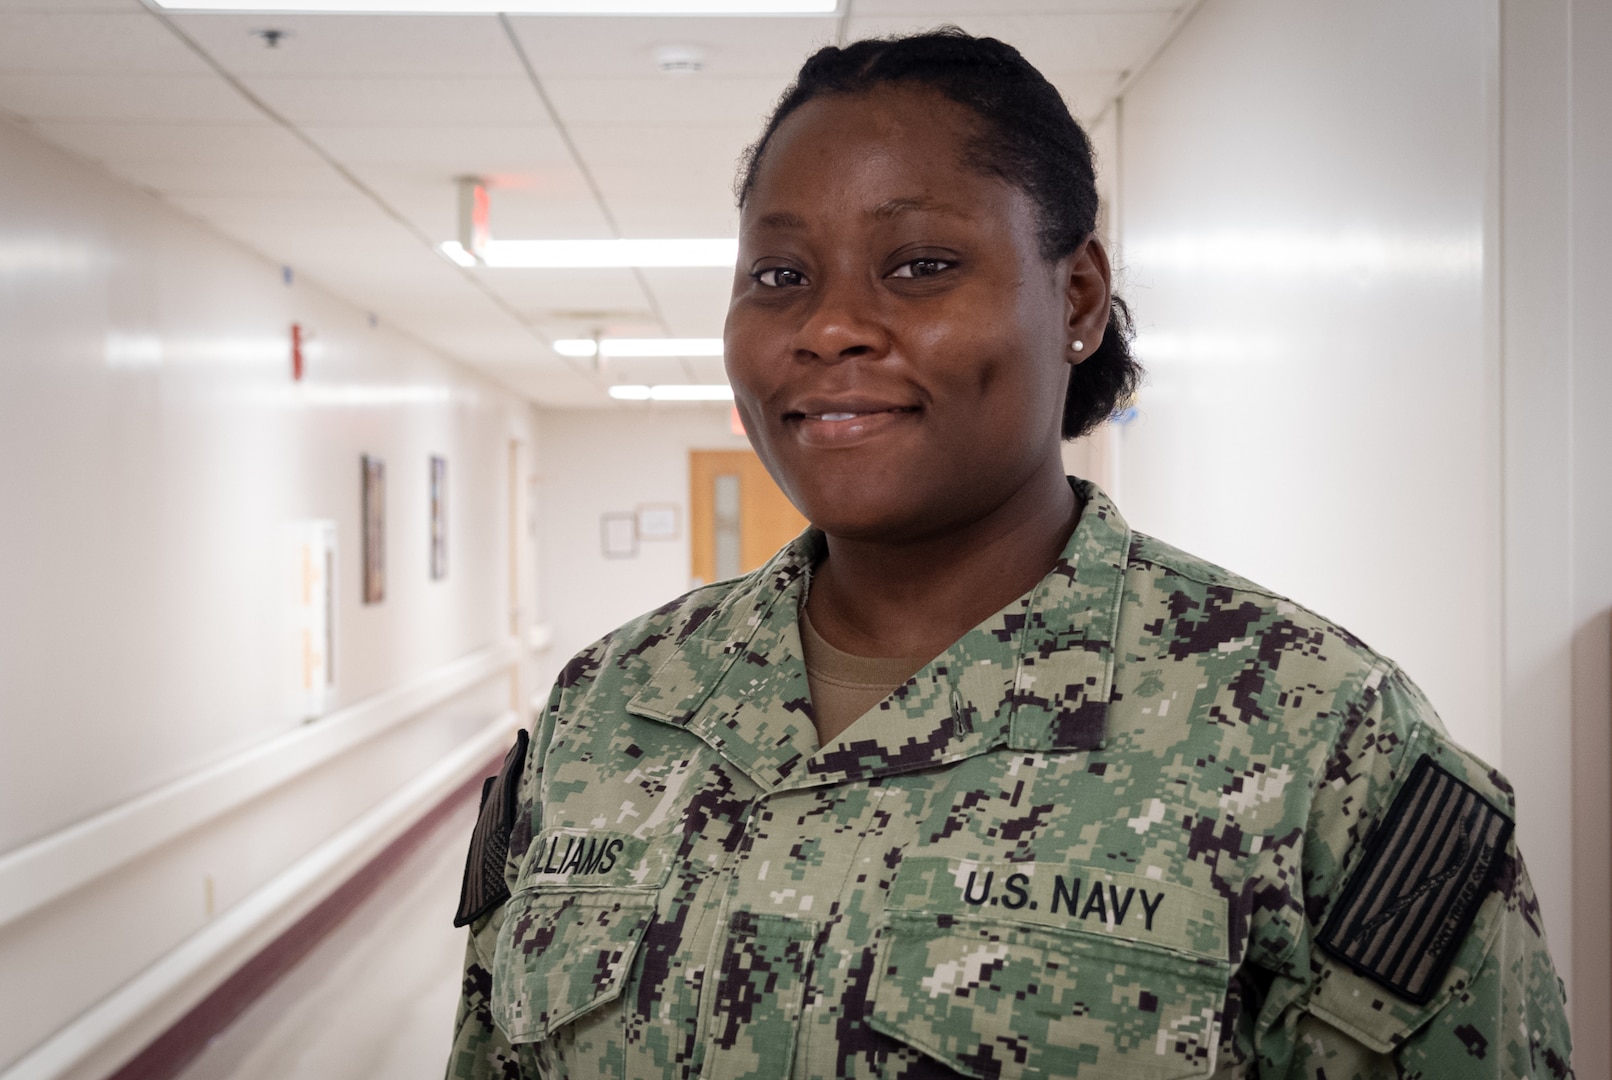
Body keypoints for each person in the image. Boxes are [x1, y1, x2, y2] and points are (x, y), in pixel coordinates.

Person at [447, 29, 1572, 1080]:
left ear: (1075, 297)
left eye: (921, 264)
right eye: (780, 276)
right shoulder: (608, 710)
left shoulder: (1328, 741)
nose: (828, 326)